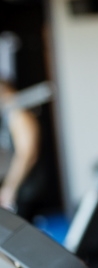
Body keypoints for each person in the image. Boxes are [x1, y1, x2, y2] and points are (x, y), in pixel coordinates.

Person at [0, 80, 39, 216]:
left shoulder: (19, 115)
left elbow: (27, 153)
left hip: (27, 192)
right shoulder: (8, 117)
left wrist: (10, 188)